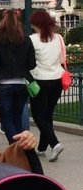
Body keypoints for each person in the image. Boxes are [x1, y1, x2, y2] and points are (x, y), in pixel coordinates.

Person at [0, 9, 36, 143]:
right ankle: (20, 146)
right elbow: (32, 64)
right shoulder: (26, 39)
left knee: (6, 119)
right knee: (17, 117)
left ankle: (15, 145)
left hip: (3, 83)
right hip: (21, 82)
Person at [29, 9, 66, 162]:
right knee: (47, 115)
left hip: (40, 80)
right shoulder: (59, 38)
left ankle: (55, 144)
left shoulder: (32, 39)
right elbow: (62, 59)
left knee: (39, 116)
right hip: (57, 79)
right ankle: (42, 147)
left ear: (36, 24)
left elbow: (29, 61)